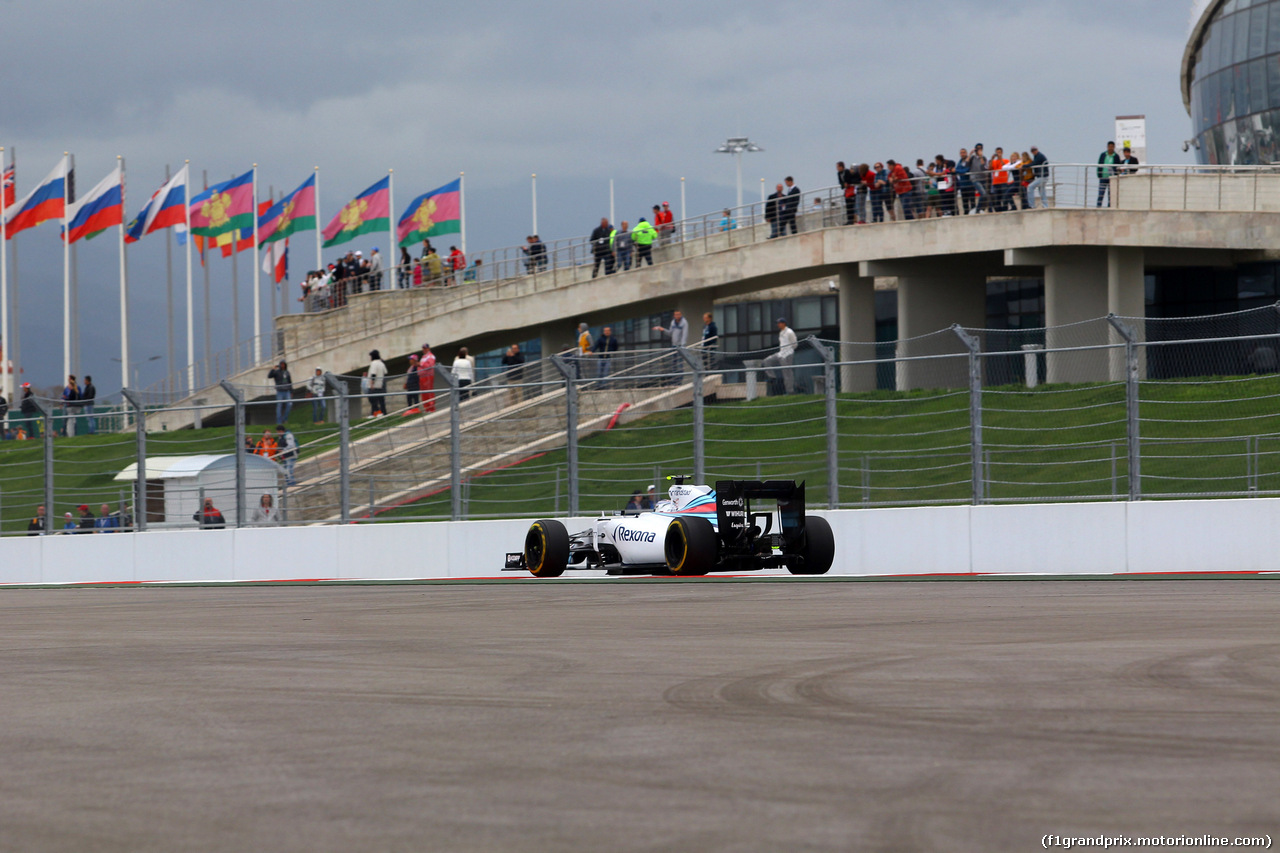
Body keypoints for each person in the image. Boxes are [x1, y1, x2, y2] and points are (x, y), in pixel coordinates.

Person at [763, 317, 799, 394]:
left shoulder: (789, 332)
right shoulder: (781, 332)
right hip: (781, 353)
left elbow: (795, 344)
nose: (778, 325)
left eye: (779, 323)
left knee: (787, 372)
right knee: (767, 361)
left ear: (784, 323)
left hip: (787, 354)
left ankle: (790, 390)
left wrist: (789, 351)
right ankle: (772, 377)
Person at [267, 360, 293, 424]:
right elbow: (269, 376)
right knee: (279, 406)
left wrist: (291, 391)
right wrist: (273, 369)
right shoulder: (277, 372)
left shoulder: (287, 372)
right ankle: (279, 422)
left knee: (290, 404)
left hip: (287, 391)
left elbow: (290, 382)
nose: (282, 365)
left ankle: (285, 418)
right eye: (281, 364)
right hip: (280, 391)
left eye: (283, 364)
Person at [1097, 141, 1122, 208]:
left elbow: (1118, 167)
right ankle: (1098, 206)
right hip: (1103, 177)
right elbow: (1099, 165)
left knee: (1110, 195)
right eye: (1109, 146)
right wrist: (1099, 175)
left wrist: (1116, 175)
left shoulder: (1116, 156)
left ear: (1114, 147)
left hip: (1112, 178)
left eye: (1112, 147)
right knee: (1101, 193)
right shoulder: (1103, 155)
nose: (1110, 148)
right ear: (1107, 147)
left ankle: (1109, 207)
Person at [367, 349, 388, 416]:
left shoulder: (374, 363)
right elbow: (385, 372)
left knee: (372, 399)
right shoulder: (381, 363)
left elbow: (373, 374)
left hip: (374, 385)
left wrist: (372, 384)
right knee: (381, 401)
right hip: (380, 384)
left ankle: (377, 411)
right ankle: (382, 413)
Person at [419, 343, 437, 413]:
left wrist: (419, 364)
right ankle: (427, 408)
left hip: (428, 376)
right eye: (423, 348)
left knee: (429, 392)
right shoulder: (423, 357)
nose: (424, 350)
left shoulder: (431, 356)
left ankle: (431, 408)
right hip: (422, 377)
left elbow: (430, 365)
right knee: (424, 393)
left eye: (425, 348)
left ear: (428, 349)